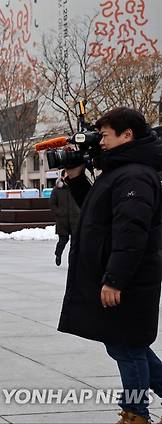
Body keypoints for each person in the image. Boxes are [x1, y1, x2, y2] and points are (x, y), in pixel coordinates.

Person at [58, 107, 162, 424]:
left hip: (130, 280)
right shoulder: (123, 171)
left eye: (104, 135)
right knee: (128, 345)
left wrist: (115, 279)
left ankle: (135, 414)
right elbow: (98, 210)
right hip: (123, 277)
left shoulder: (136, 175)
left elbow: (131, 232)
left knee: (127, 347)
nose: (99, 142)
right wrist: (76, 178)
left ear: (126, 135)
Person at [49, 174, 80, 266]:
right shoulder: (57, 189)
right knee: (63, 240)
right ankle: (58, 253)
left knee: (74, 244)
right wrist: (59, 212)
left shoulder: (76, 187)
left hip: (75, 219)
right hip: (63, 220)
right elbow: (52, 203)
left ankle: (72, 262)